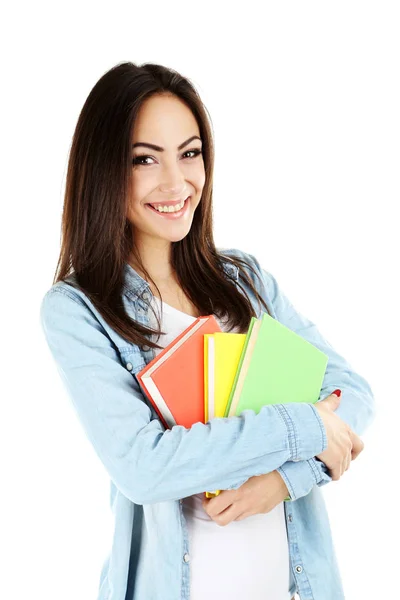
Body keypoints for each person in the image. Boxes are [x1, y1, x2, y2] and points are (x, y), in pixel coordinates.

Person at [39, 61, 376, 600]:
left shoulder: (243, 279)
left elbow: (350, 392)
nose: (177, 183)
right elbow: (144, 466)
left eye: (190, 153)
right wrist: (303, 426)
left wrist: (285, 480)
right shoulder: (79, 310)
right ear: (103, 170)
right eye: (144, 159)